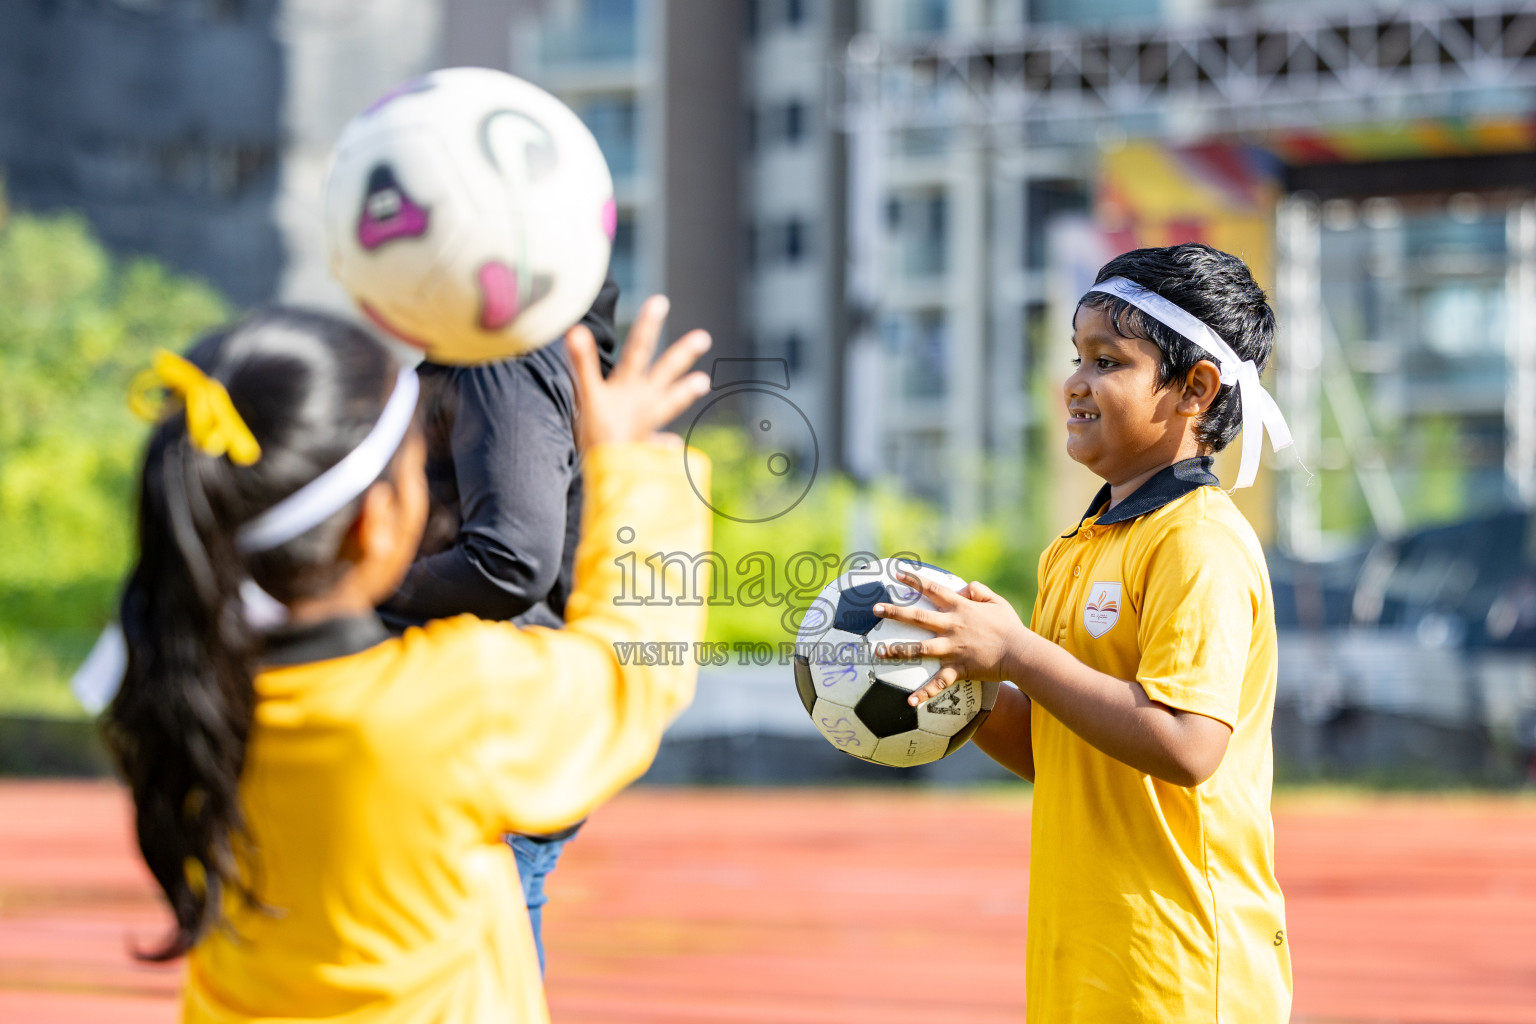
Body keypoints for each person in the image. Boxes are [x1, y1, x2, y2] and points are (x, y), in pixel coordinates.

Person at [103, 298, 713, 1023]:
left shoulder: (177, 687)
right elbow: (633, 672)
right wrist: (630, 462)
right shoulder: (458, 703)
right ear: (376, 521)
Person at [874, 243, 1293, 1022]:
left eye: (1108, 361)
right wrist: (947, 683)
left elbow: (1187, 745)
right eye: (1077, 357)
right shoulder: (1076, 548)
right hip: (1086, 960)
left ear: (1195, 388)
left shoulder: (1195, 541)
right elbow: (1059, 748)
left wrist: (1018, 652)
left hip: (1177, 968)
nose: (1075, 382)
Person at [378, 276, 621, 973]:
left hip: (482, 728)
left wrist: (349, 597)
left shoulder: (500, 355)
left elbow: (511, 559)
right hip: (496, 718)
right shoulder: (516, 351)